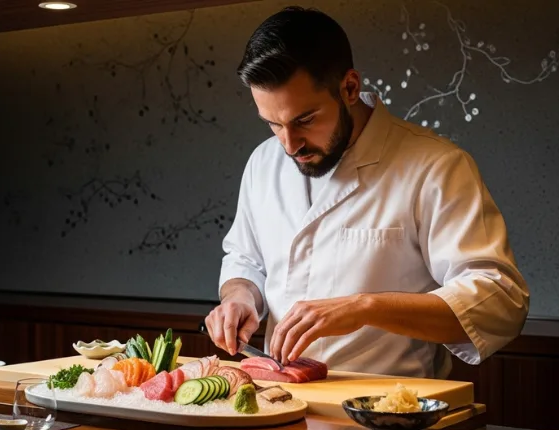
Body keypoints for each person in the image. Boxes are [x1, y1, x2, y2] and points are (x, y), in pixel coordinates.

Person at [203, 6, 530, 379]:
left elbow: (500, 301)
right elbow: (246, 258)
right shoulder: (263, 162)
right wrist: (240, 296)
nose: (290, 144)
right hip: (279, 403)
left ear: (350, 88)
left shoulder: (436, 166)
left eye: (305, 120)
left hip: (389, 413)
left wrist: (365, 307)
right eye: (273, 124)